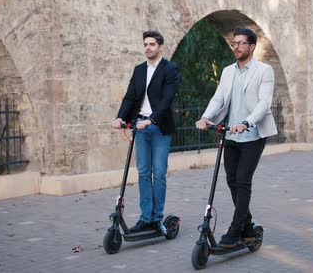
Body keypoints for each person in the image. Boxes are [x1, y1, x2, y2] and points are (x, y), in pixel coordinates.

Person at [195, 27, 277, 247]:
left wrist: (247, 122)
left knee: (243, 180)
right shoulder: (227, 71)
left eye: (241, 43)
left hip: (253, 134)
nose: (236, 47)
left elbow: (264, 103)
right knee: (232, 180)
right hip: (230, 134)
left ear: (252, 46)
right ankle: (248, 226)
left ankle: (236, 229)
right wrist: (205, 117)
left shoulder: (264, 70)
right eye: (234, 43)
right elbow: (218, 98)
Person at [111, 30, 180, 234]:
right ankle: (145, 218)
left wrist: (151, 120)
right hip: (139, 126)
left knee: (158, 174)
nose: (147, 48)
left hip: (159, 127)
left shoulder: (170, 69)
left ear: (160, 47)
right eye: (145, 44)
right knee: (142, 173)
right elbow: (130, 96)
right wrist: (121, 117)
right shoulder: (139, 69)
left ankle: (157, 218)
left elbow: (167, 100)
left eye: (151, 44)